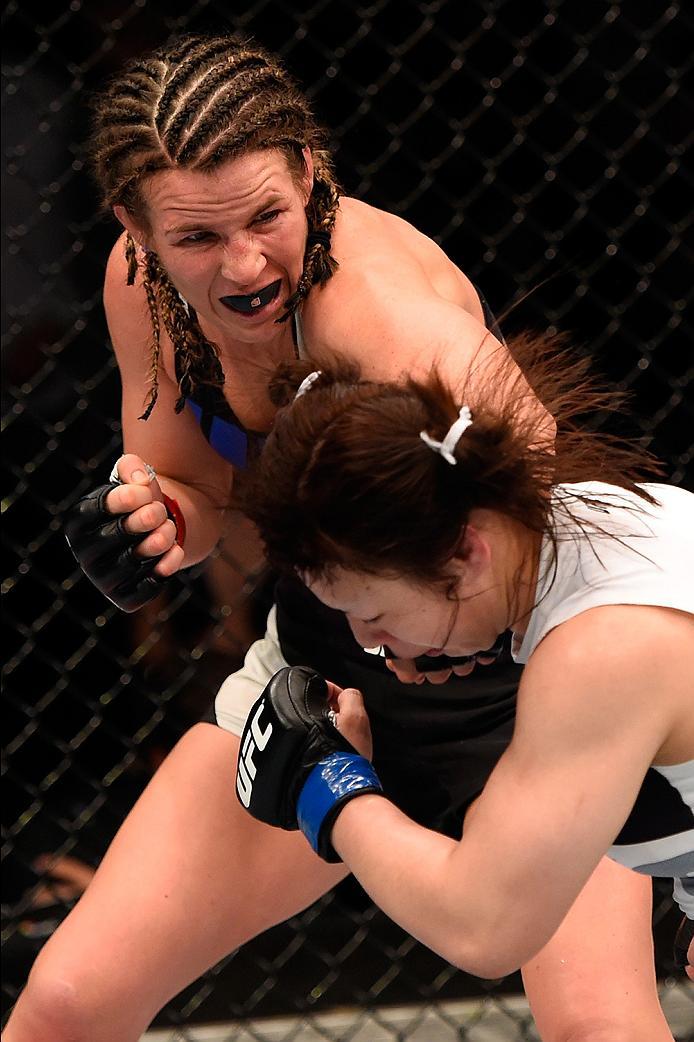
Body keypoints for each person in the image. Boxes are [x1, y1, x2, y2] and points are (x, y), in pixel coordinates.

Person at [4, 32, 678, 1042]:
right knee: (65, 1005)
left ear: (310, 177)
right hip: (331, 670)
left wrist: (498, 643)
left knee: (595, 1024)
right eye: (194, 238)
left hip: (518, 684)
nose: (241, 263)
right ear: (133, 226)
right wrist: (152, 526)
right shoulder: (138, 287)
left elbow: (536, 476)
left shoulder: (378, 309)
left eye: (268, 216)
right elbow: (191, 477)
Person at [239, 344, 694, 983]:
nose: (371, 643)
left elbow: (483, 925)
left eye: (376, 614)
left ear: (464, 555)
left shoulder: (601, 651)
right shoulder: (600, 515)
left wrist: (330, 786)